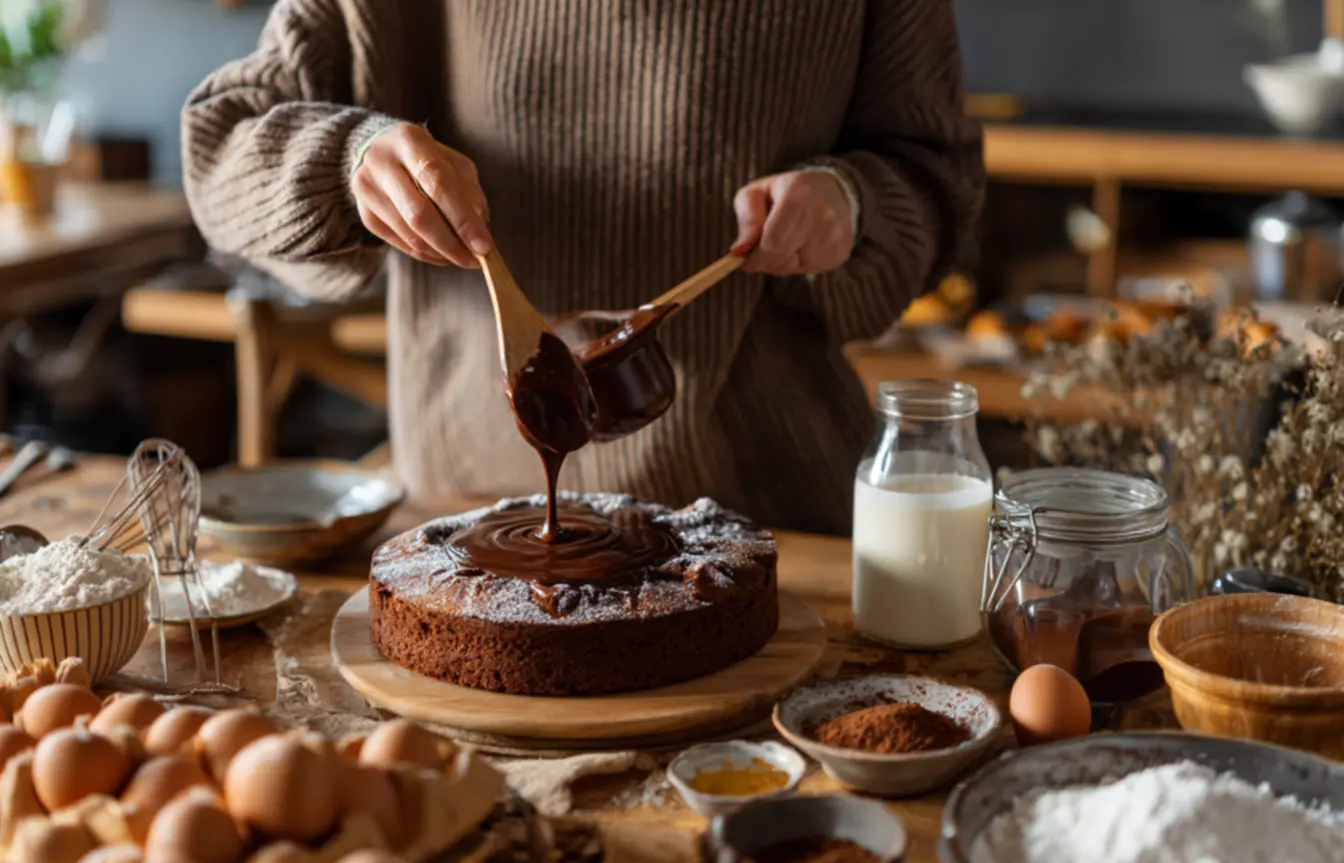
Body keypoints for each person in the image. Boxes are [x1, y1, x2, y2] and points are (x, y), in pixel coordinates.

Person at [182, 0, 984, 535]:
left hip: (775, 520)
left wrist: (856, 201)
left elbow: (940, 179)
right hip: (470, 516)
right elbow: (220, 147)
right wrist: (345, 163)